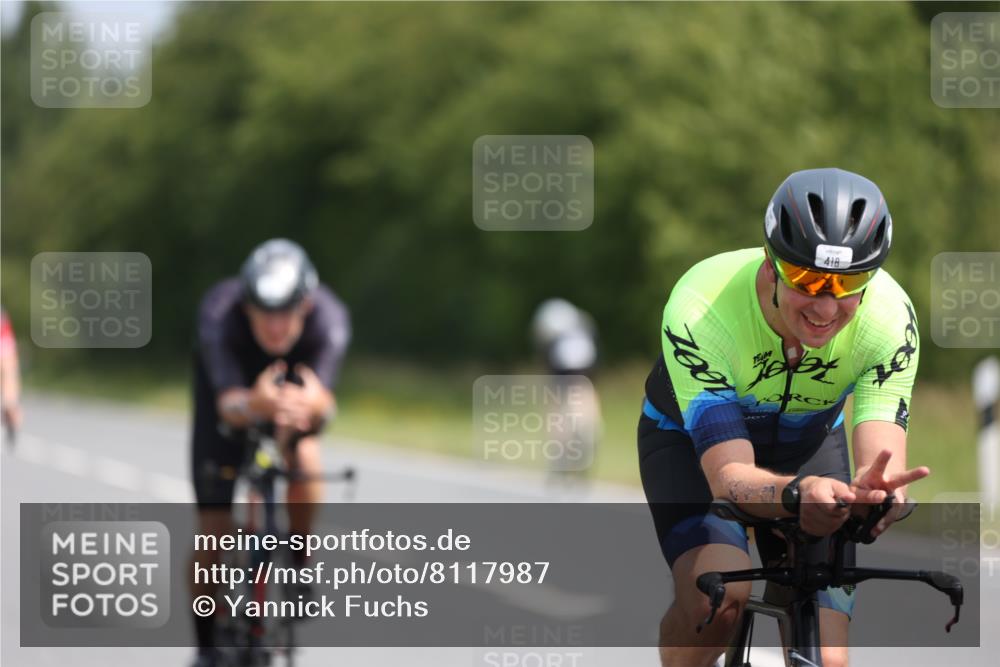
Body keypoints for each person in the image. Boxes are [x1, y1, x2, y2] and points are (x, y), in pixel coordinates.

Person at [638, 168, 929, 667]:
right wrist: (796, 494)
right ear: (771, 265)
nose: (826, 308)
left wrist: (876, 495)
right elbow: (729, 476)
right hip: (692, 446)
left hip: (809, 443)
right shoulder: (702, 306)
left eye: (849, 283)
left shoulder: (890, 320)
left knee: (828, 658)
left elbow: (880, 458)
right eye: (808, 281)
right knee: (717, 600)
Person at [188, 239, 351, 667]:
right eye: (264, 313)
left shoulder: (330, 320)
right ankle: (205, 645)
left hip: (293, 407)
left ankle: (299, 554)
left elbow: (325, 405)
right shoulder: (219, 312)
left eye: (286, 314)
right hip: (228, 403)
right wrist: (253, 405)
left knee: (307, 459)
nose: (276, 327)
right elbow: (228, 405)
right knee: (213, 533)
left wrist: (313, 406)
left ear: (306, 306)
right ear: (247, 307)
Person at [1, 308, 23, 443]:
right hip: (7, 350)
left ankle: (11, 414)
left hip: (6, 350)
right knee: (10, 394)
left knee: (9, 395)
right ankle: (12, 417)